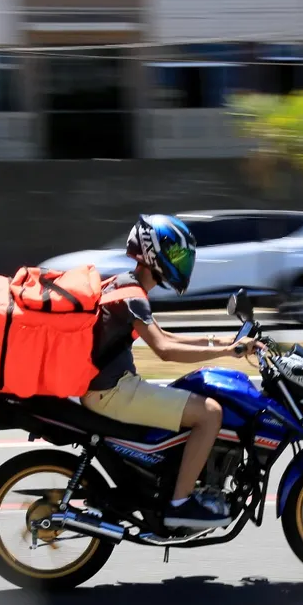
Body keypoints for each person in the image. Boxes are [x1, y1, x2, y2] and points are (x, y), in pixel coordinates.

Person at [82, 214, 259, 530]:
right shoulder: (132, 294)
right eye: (176, 254)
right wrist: (224, 351)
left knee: (197, 401)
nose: (182, 262)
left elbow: (169, 337)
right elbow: (164, 349)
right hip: (113, 393)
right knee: (209, 413)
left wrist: (226, 341)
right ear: (154, 253)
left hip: (109, 389)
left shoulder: (128, 286)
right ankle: (180, 502)